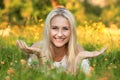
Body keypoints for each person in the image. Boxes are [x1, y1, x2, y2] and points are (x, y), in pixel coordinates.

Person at [16, 7, 107, 75]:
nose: (59, 34)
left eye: (65, 29)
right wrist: (41, 56)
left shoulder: (78, 50)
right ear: (48, 30)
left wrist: (78, 59)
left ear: (71, 31)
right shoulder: (37, 48)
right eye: (55, 28)